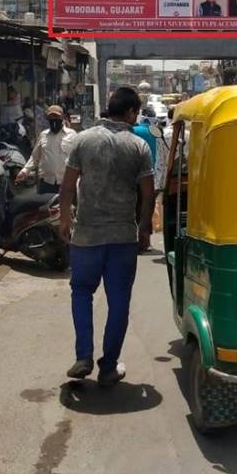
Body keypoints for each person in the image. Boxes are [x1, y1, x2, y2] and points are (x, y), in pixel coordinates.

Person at [60, 87, 154, 386]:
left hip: (86, 236)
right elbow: (148, 194)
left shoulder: (83, 139)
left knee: (81, 293)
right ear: (130, 113)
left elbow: (67, 186)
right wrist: (144, 229)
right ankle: (109, 366)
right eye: (135, 112)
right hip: (123, 238)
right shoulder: (139, 146)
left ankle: (83, 356)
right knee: (119, 303)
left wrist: (65, 218)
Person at [17, 105, 76, 194]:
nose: (54, 120)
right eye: (51, 117)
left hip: (66, 182)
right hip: (45, 183)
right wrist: (25, 171)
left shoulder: (72, 135)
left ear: (62, 117)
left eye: (56, 117)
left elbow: (78, 158)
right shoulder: (43, 135)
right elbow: (35, 157)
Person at [133, 109, 160, 252]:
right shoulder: (156, 132)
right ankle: (146, 241)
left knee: (133, 208)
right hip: (151, 177)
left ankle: (133, 239)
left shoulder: (133, 130)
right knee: (147, 208)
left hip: (133, 176)